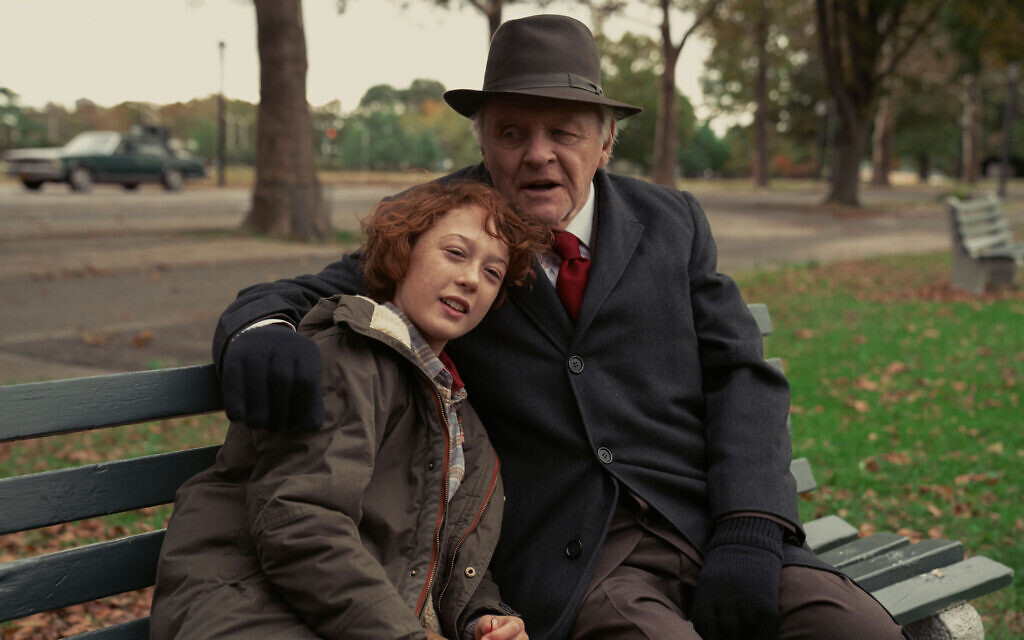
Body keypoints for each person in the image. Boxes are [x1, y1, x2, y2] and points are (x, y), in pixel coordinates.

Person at [210, 14, 908, 640]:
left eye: (562, 132)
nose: (537, 153)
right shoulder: (445, 233)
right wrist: (260, 330)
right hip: (576, 563)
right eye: (512, 132)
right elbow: (301, 291)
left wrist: (750, 527)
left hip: (711, 529)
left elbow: (741, 374)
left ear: (604, 144)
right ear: (485, 142)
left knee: (860, 629)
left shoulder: (673, 223)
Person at [151, 180, 546, 640]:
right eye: (455, 253)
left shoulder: (460, 418)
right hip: (247, 606)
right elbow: (298, 524)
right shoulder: (350, 358)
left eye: (492, 273)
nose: (471, 278)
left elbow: (440, 555)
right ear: (404, 252)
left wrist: (481, 618)